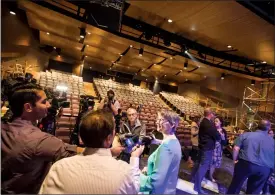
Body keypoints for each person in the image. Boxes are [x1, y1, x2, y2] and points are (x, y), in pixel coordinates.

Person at [39, 110, 144, 194]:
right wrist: (134, 158)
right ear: (109, 139)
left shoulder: (58, 168)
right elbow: (135, 189)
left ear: (80, 138)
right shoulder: (125, 171)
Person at [1, 85, 82, 194]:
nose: (49, 105)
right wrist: (111, 151)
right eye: (44, 102)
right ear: (28, 107)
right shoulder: (38, 139)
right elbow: (78, 153)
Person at [139, 110, 182, 194]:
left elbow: (154, 182)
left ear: (172, 124)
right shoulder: (174, 141)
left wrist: (136, 177)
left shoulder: (166, 148)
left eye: (161, 120)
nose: (157, 122)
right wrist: (156, 141)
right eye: (157, 119)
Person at [227, 120, 274, 194]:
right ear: (269, 128)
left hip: (245, 164)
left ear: (258, 125)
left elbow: (236, 148)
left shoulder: (246, 135)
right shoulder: (272, 141)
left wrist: (234, 160)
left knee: (235, 186)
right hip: (264, 169)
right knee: (254, 191)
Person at [191, 108, 220, 194]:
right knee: (203, 168)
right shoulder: (208, 124)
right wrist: (218, 131)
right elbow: (217, 136)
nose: (214, 116)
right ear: (210, 114)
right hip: (206, 149)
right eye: (213, 114)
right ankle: (197, 187)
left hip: (202, 147)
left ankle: (194, 181)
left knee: (199, 165)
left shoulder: (203, 121)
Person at [209, 117, 227, 182]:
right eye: (215, 121)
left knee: (214, 164)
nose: (215, 122)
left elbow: (225, 143)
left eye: (217, 121)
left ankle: (211, 176)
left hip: (219, 150)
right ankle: (208, 175)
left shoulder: (223, 131)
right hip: (211, 148)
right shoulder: (212, 129)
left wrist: (223, 137)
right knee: (210, 163)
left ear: (220, 122)